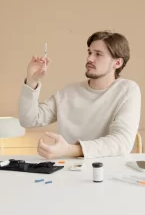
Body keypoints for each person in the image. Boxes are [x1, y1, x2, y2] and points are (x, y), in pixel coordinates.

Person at [18, 30, 141, 159]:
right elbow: (29, 120)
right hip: (66, 171)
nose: (89, 59)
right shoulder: (69, 92)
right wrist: (32, 80)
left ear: (117, 63)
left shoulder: (127, 90)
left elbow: (121, 142)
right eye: (89, 52)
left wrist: (70, 150)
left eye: (98, 54)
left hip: (107, 172)